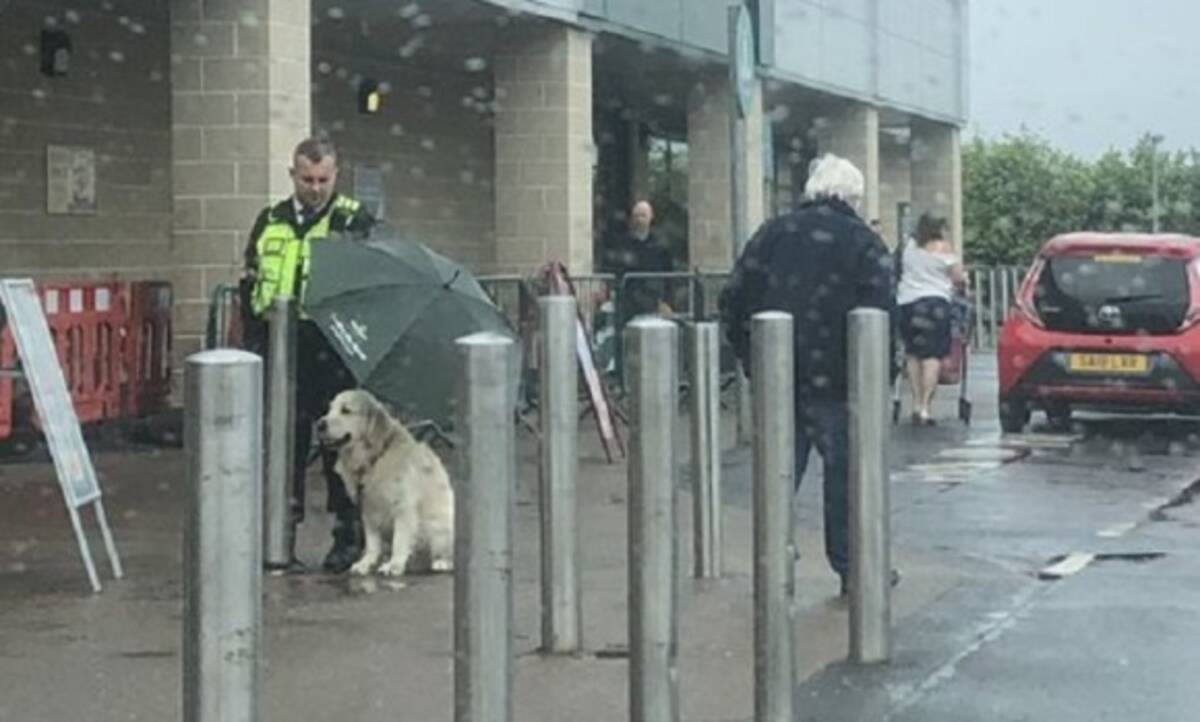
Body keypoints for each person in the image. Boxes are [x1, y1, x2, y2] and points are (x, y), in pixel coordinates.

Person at [719, 153, 896, 597]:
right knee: (846, 476)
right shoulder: (862, 242)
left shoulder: (772, 234)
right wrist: (881, 374)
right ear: (853, 196)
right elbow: (882, 313)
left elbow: (734, 298)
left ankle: (773, 559)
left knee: (778, 472)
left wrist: (750, 356)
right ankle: (853, 567)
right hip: (840, 378)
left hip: (779, 373)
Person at [240, 137, 375, 572]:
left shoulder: (352, 220)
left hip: (331, 346)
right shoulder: (271, 221)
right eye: (307, 179)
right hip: (279, 343)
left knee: (340, 446)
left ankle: (347, 536)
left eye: (323, 179)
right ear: (293, 176)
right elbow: (251, 282)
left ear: (336, 176)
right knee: (283, 445)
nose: (315, 188)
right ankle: (280, 535)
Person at [896, 213, 966, 425]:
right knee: (932, 356)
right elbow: (958, 277)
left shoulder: (909, 247)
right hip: (934, 304)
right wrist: (963, 280)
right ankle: (926, 406)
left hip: (907, 303)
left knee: (913, 355)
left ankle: (916, 403)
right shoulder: (943, 248)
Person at [600, 200, 674, 322]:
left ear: (651, 217)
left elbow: (669, 276)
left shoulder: (660, 246)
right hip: (629, 303)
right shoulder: (623, 244)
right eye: (636, 216)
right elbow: (616, 270)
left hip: (653, 300)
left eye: (643, 215)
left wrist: (667, 301)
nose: (639, 220)